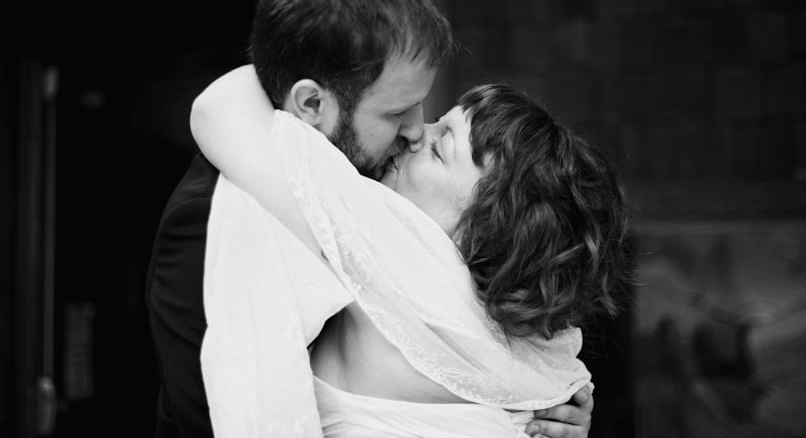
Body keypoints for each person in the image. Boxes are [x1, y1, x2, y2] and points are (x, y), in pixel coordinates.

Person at [146, 0, 594, 438]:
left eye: (421, 106)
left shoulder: (369, 193)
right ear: (312, 102)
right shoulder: (211, 219)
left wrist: (541, 404)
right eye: (395, 112)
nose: (414, 131)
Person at [189, 66, 631, 438]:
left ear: (481, 230)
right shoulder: (537, 362)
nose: (417, 131)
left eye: (440, 148)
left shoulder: (384, 235)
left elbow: (220, 106)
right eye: (440, 119)